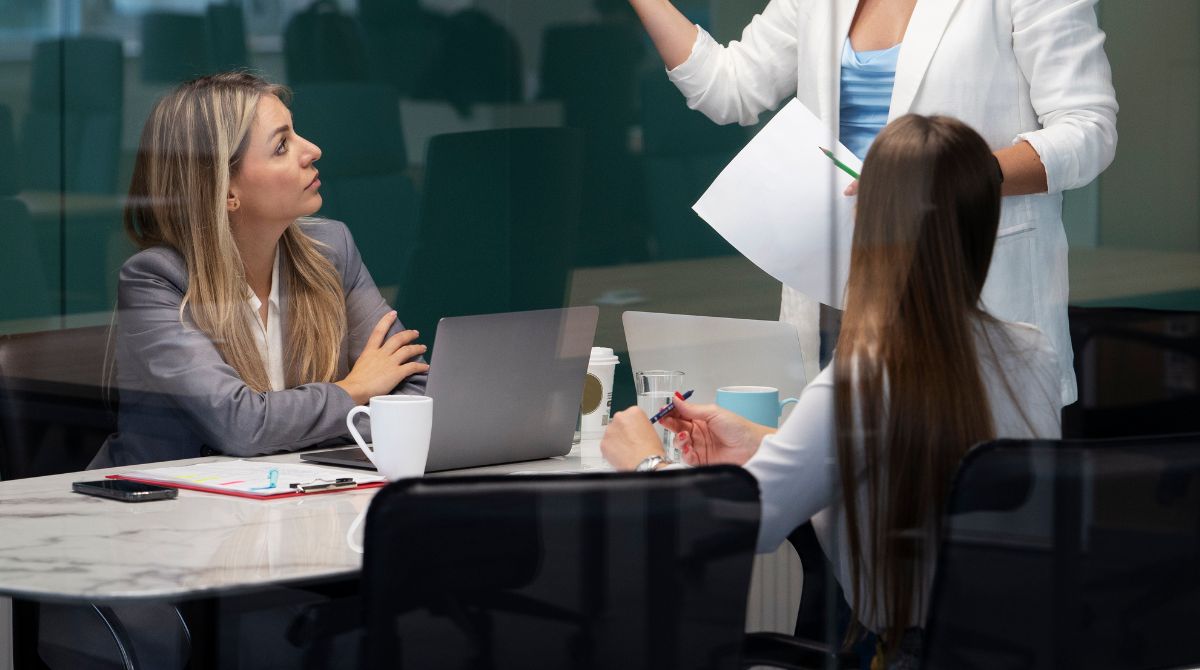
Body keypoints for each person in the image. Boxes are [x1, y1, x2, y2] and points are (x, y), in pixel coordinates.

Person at [601, 115, 1063, 667]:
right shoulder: (1033, 353)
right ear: (987, 219)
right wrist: (770, 440)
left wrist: (645, 464)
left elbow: (737, 526)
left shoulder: (865, 376)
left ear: (866, 224)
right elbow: (927, 468)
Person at [626, 0, 1118, 404]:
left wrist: (955, 173)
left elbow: (1088, 130)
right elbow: (727, 88)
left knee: (958, 495)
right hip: (837, 294)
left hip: (962, 285)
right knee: (834, 495)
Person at [91, 71, 429, 468]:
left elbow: (414, 393)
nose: (313, 150)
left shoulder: (332, 249)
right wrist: (354, 391)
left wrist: (292, 424)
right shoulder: (155, 280)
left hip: (300, 498)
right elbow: (240, 426)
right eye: (282, 145)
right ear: (226, 189)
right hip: (171, 516)